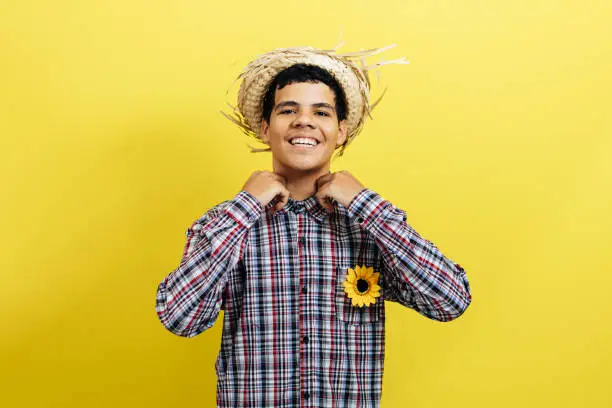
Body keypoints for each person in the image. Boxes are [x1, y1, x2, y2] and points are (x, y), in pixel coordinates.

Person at [155, 45, 472, 408]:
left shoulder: (370, 225)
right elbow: (180, 318)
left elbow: (450, 300)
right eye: (287, 110)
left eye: (320, 112)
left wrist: (363, 202)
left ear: (340, 131)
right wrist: (245, 206)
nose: (303, 121)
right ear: (265, 128)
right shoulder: (226, 226)